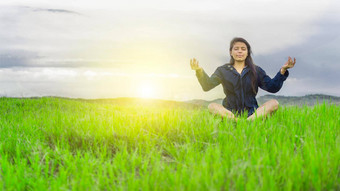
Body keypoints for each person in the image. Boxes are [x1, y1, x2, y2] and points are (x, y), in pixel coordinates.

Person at [190, 37, 296, 121]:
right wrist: (199, 70)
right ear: (231, 52)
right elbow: (207, 86)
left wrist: (283, 71)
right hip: (230, 112)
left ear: (247, 52)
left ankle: (247, 121)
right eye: (236, 49)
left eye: (243, 49)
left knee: (274, 103)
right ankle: (236, 121)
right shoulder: (223, 70)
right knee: (212, 106)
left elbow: (272, 87)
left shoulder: (256, 70)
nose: (240, 51)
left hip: (252, 113)